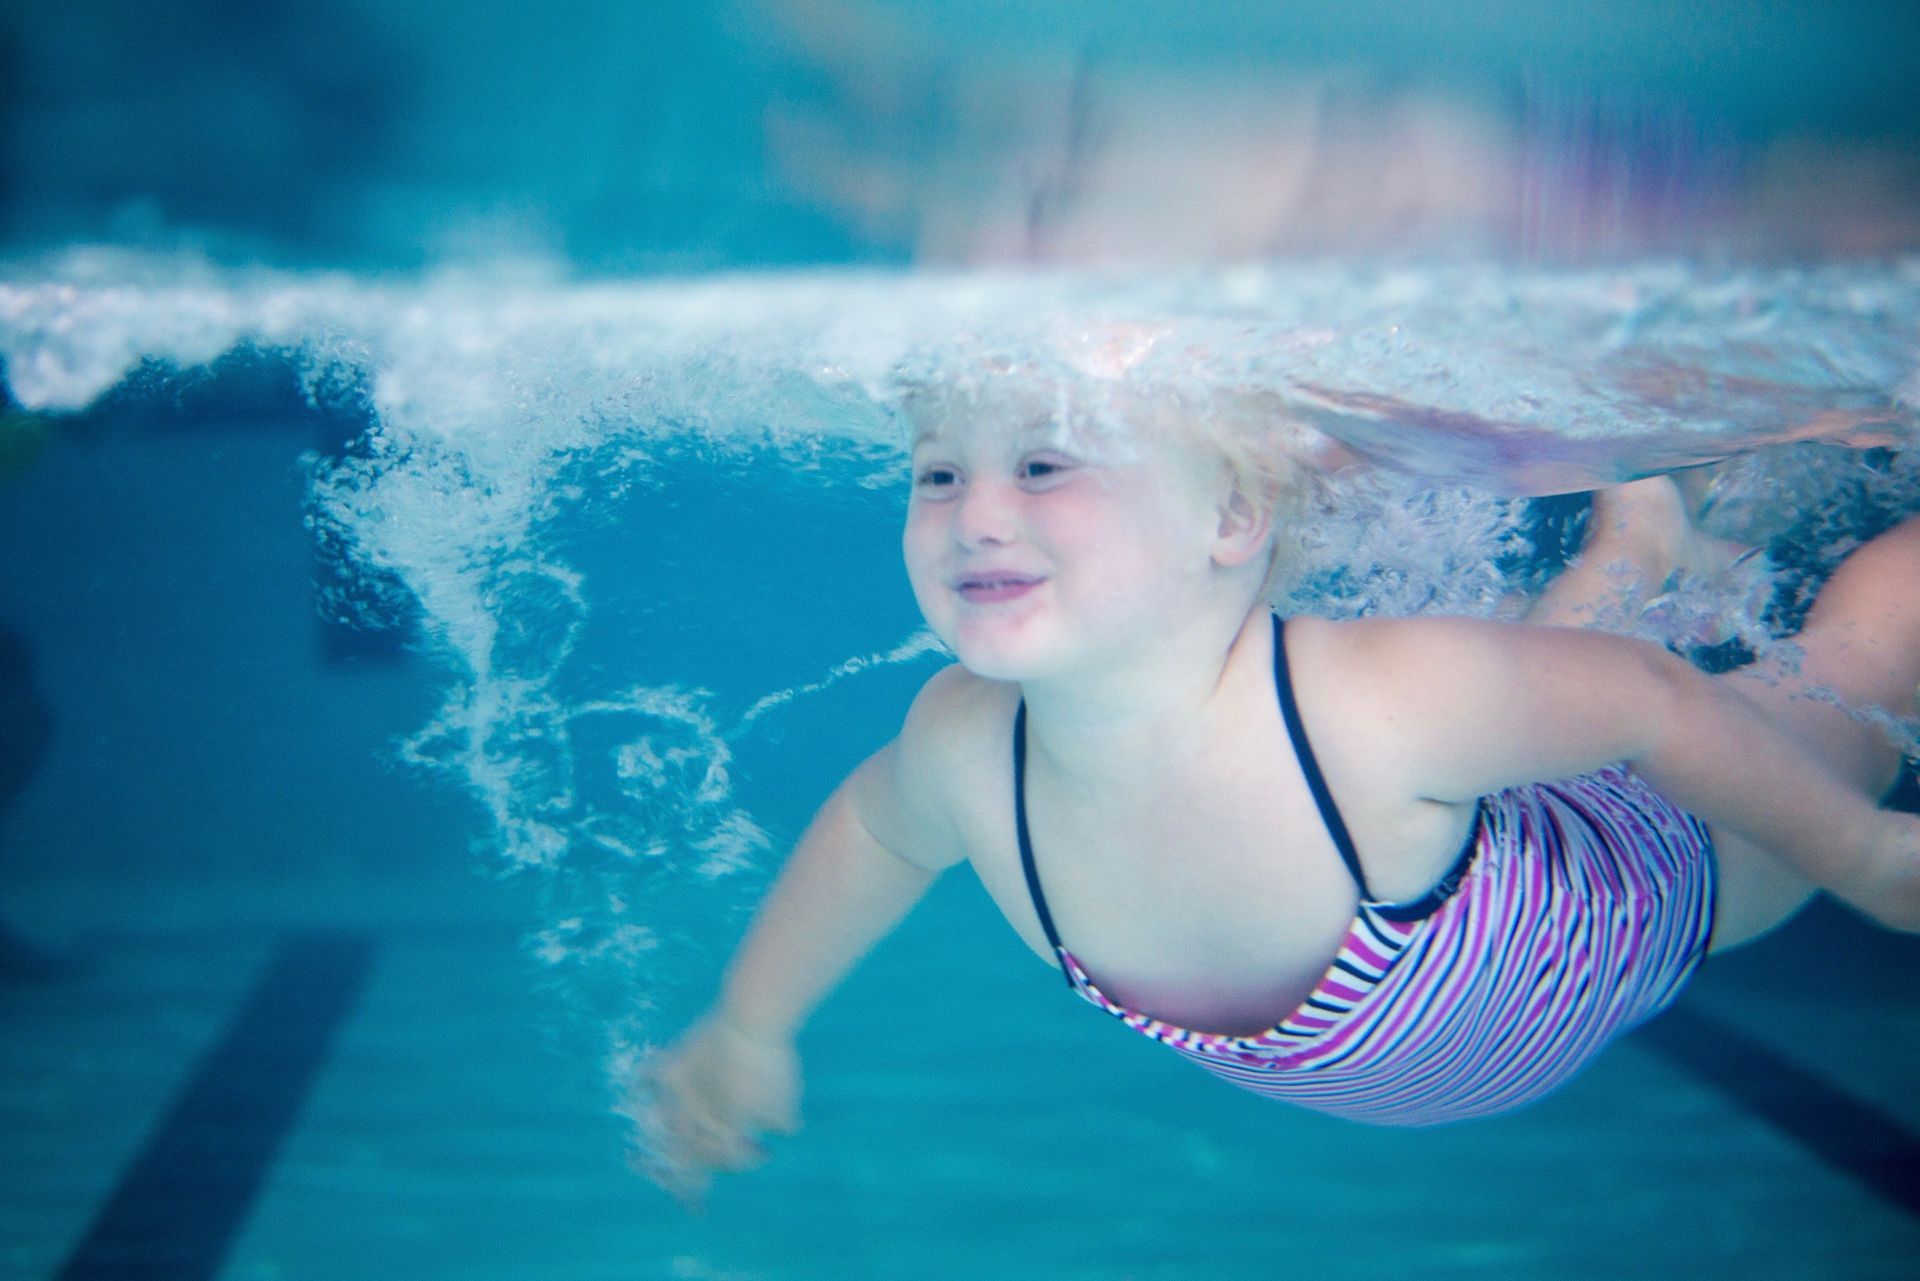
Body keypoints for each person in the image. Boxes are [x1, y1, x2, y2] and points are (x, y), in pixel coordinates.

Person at [641, 364, 1920, 1201]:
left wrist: (1855, 852)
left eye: (1043, 465)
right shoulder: (969, 751)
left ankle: (1677, 534)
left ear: (1233, 519)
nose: (975, 513)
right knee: (1536, 681)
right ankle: (1644, 539)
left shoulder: (1367, 707)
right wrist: (752, 1025)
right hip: (1471, 857)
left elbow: (1648, 709)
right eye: (937, 472)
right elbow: (873, 831)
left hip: (1644, 888)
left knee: (1855, 659)